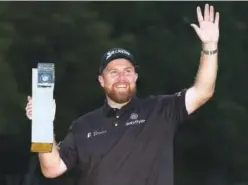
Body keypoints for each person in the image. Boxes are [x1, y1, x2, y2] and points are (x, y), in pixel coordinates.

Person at [25, 4, 219, 185]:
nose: (121, 77)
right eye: (113, 72)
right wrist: (43, 125)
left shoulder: (161, 110)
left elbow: (203, 91)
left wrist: (209, 46)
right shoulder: (83, 126)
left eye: (127, 71)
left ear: (135, 76)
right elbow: (51, 169)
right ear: (101, 80)